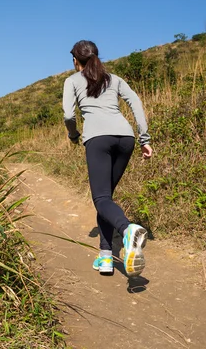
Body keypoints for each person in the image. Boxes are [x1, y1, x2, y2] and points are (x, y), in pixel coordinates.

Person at [62, 40, 153, 277]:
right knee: (106, 199)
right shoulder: (115, 79)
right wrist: (144, 139)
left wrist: (73, 135)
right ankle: (105, 257)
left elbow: (68, 115)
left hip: (98, 139)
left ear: (75, 60)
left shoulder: (72, 81)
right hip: (126, 138)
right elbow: (136, 102)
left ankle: (127, 230)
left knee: (101, 198)